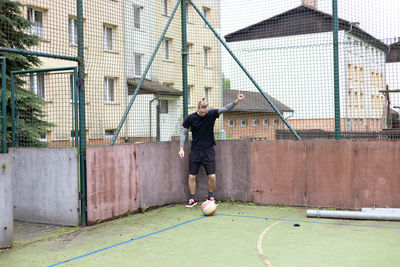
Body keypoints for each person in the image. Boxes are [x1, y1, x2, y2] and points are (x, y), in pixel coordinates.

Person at [178, 90, 245, 207]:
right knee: (192, 176)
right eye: (202, 112)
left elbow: (225, 108)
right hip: (195, 151)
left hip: (209, 150)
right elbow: (183, 133)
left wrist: (237, 101)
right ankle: (192, 199)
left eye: (205, 112)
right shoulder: (191, 118)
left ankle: (210, 196)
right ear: (198, 107)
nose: (204, 114)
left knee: (212, 176)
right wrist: (181, 148)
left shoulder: (211, 114)